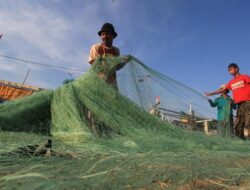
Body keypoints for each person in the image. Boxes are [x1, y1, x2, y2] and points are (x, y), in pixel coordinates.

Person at [205, 63, 250, 140]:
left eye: (231, 69)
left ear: (237, 68)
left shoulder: (244, 77)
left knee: (248, 123)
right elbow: (222, 89)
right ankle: (242, 143)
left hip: (248, 103)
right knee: (237, 127)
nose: (230, 71)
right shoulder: (231, 82)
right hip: (239, 106)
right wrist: (211, 93)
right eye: (229, 70)